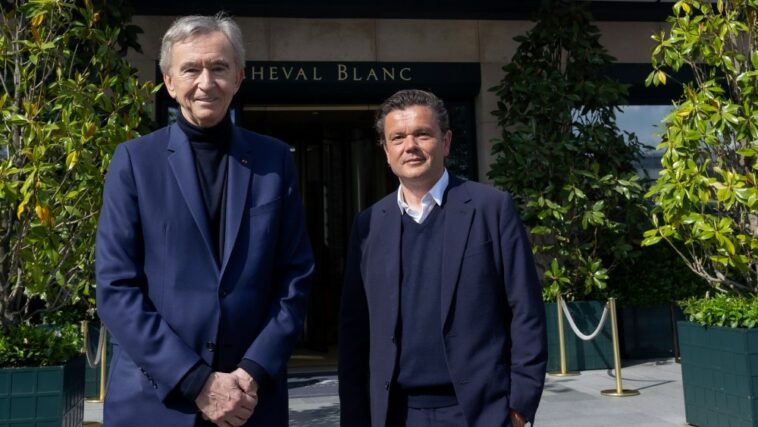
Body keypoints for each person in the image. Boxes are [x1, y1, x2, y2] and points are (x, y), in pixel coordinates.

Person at [96, 14, 314, 427]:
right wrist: (196, 381)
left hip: (252, 400)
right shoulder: (134, 162)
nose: (206, 82)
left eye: (218, 68)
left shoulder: (274, 161)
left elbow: (295, 277)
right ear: (169, 81)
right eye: (191, 69)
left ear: (239, 77)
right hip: (156, 402)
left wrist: (252, 369)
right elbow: (115, 287)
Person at [338, 89, 547, 427]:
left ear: (446, 141)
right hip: (395, 412)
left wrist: (520, 405)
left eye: (423, 134)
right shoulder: (369, 224)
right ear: (386, 150)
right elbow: (354, 332)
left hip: (478, 411)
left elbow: (526, 311)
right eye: (398, 137)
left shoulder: (491, 208)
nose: (411, 146)